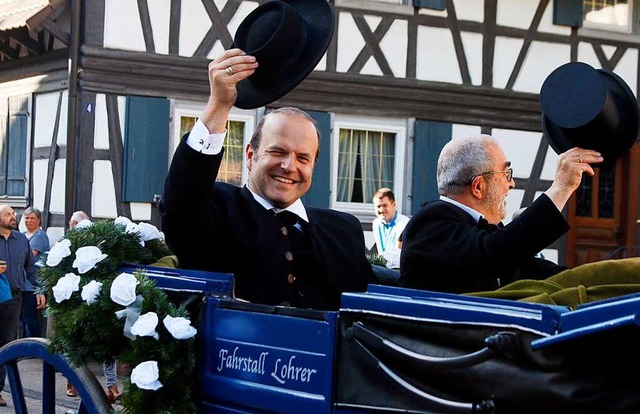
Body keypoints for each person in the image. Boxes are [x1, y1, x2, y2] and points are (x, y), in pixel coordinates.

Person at [160, 48, 374, 311]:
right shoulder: (216, 209)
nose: (289, 166)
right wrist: (218, 105)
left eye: (302, 158)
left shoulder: (344, 230)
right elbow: (181, 202)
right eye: (277, 152)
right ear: (251, 155)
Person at [399, 134, 603, 294]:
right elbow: (496, 254)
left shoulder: (480, 229)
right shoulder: (430, 223)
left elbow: (532, 269)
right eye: (506, 174)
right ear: (478, 186)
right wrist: (560, 188)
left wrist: (599, 282)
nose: (511, 183)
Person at [64, 211, 122, 402]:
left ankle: (111, 386)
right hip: (77, 301)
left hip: (99, 299)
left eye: (73, 223)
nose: (71, 226)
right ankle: (72, 383)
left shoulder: (101, 247)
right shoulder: (68, 246)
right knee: (77, 341)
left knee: (107, 344)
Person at [0, 204, 44, 406]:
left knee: (6, 345)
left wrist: (39, 290)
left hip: (14, 299)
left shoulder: (22, 241)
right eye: (8, 214)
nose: (13, 216)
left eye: (13, 213)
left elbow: (31, 270)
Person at [21, 207, 50, 338]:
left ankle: (32, 345)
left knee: (29, 316)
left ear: (39, 220)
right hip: (22, 282)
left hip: (33, 284)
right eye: (26, 218)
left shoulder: (39, 236)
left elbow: (29, 255)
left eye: (32, 218)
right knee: (21, 317)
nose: (29, 221)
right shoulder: (22, 234)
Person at [372, 188, 409, 269]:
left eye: (385, 205)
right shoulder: (376, 223)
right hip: (383, 267)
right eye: (378, 206)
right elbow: (381, 253)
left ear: (394, 205)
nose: (381, 210)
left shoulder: (404, 223)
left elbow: (401, 254)